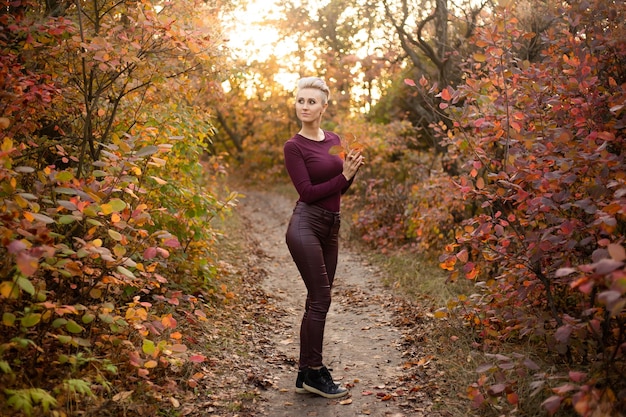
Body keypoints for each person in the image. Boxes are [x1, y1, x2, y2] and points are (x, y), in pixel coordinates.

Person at [283, 77, 364, 399]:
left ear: (324, 107)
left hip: (332, 227)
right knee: (321, 299)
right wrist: (342, 176)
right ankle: (315, 372)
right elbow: (307, 192)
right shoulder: (294, 146)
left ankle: (306, 371)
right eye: (300, 100)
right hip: (305, 226)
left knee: (316, 300)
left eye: (311, 101)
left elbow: (340, 189)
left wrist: (351, 175)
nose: (304, 106)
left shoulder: (333, 139)